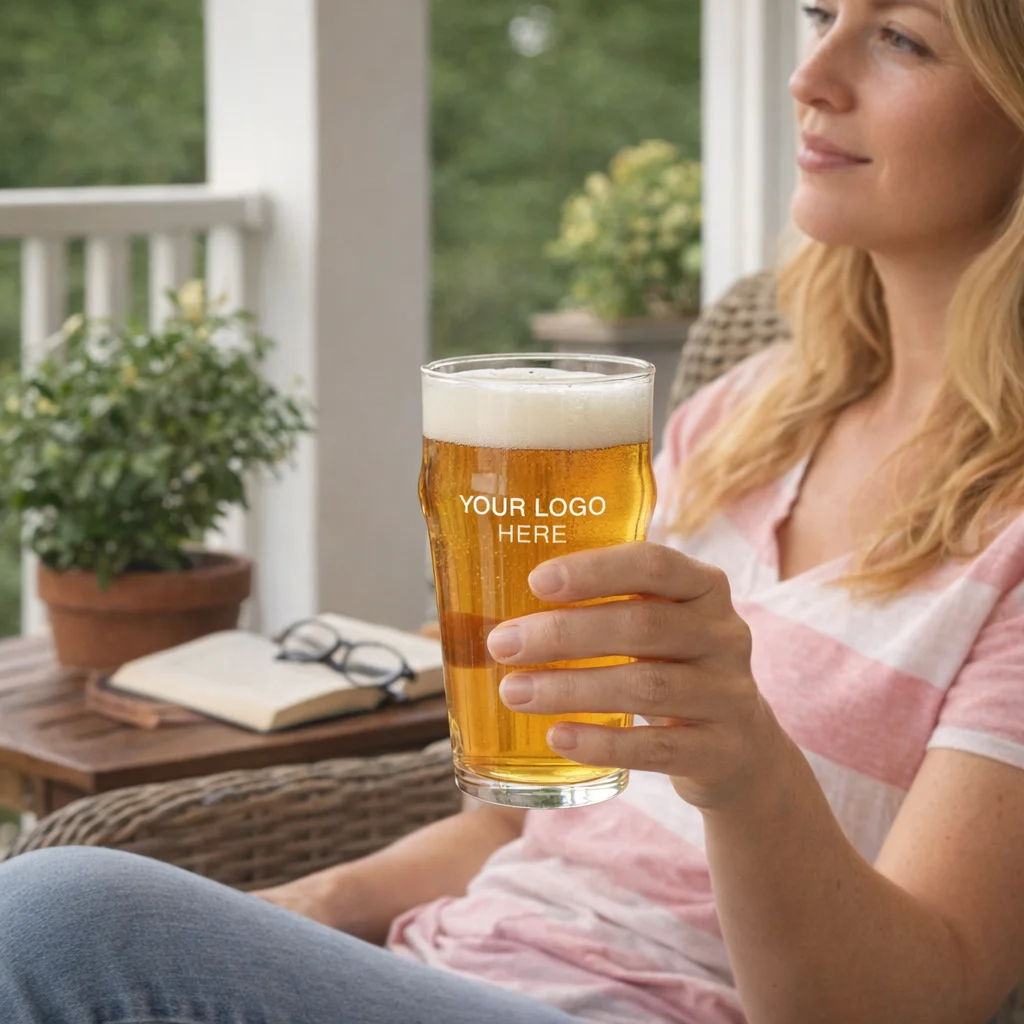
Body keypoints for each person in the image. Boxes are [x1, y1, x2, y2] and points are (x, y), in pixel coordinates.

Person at [4, 0, 1024, 1020]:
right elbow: (520, 830)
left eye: (903, 37)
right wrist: (291, 909)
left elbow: (915, 1001)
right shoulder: (742, 415)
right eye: (819, 13)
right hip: (445, 965)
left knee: (60, 912)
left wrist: (745, 767)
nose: (812, 76)